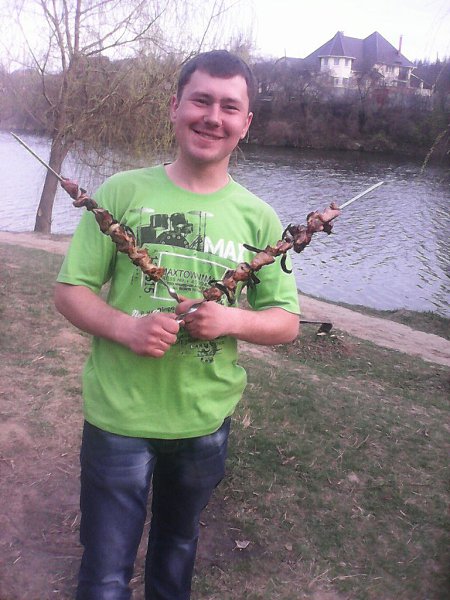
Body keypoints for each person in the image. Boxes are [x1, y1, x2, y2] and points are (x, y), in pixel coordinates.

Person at [54, 49, 300, 600]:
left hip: (202, 423)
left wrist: (230, 318)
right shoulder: (121, 193)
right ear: (175, 106)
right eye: (201, 101)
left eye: (229, 107)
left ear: (246, 123)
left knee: (176, 551)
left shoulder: (260, 218)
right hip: (118, 417)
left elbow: (286, 323)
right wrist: (127, 329)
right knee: (106, 571)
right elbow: (70, 292)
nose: (213, 117)